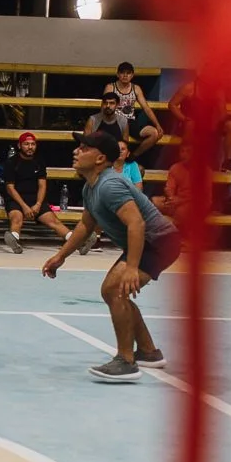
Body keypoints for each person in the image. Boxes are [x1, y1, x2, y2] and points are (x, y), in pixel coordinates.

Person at [41, 131, 181, 383]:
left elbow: (136, 223)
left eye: (83, 148)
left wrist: (132, 268)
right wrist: (61, 256)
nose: (76, 151)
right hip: (146, 243)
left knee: (115, 289)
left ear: (100, 158)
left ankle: (126, 361)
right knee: (113, 290)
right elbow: (85, 224)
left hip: (159, 242)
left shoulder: (109, 185)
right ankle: (148, 352)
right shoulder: (90, 187)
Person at [2, 131, 71, 252]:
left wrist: (38, 204)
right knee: (16, 218)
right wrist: (24, 207)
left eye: (33, 144)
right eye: (26, 144)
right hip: (17, 200)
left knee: (53, 221)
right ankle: (14, 240)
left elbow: (42, 185)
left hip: (35, 200)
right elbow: (10, 188)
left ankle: (77, 241)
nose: (30, 147)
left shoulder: (39, 161)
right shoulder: (11, 162)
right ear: (19, 146)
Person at [104, 62, 164, 159]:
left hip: (130, 121)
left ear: (132, 75)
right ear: (118, 74)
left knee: (154, 133)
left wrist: (157, 125)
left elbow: (146, 108)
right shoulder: (111, 87)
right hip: (114, 121)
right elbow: (104, 107)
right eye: (122, 73)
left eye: (128, 73)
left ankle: (132, 156)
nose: (125, 75)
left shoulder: (136, 88)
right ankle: (116, 159)